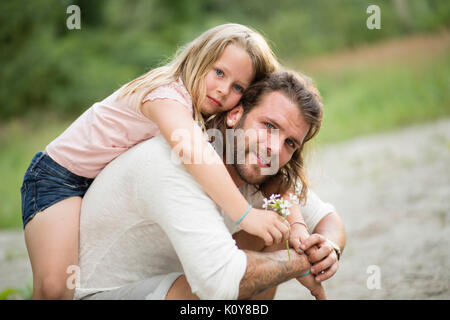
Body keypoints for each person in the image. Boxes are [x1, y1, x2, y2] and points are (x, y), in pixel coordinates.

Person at [20, 23, 291, 300]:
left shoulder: (204, 112)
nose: (222, 90)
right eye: (219, 73)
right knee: (55, 288)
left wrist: (297, 223)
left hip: (96, 181)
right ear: (199, 58)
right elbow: (192, 151)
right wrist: (244, 214)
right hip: (58, 178)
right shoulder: (166, 95)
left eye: (237, 87)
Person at [74, 71, 346, 300]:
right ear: (235, 114)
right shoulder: (172, 161)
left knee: (277, 228)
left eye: (290, 143)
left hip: (167, 287)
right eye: (268, 125)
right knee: (219, 278)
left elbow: (328, 219)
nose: (275, 148)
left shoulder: (260, 174)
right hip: (104, 293)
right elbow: (218, 281)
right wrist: (299, 263)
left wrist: (327, 250)